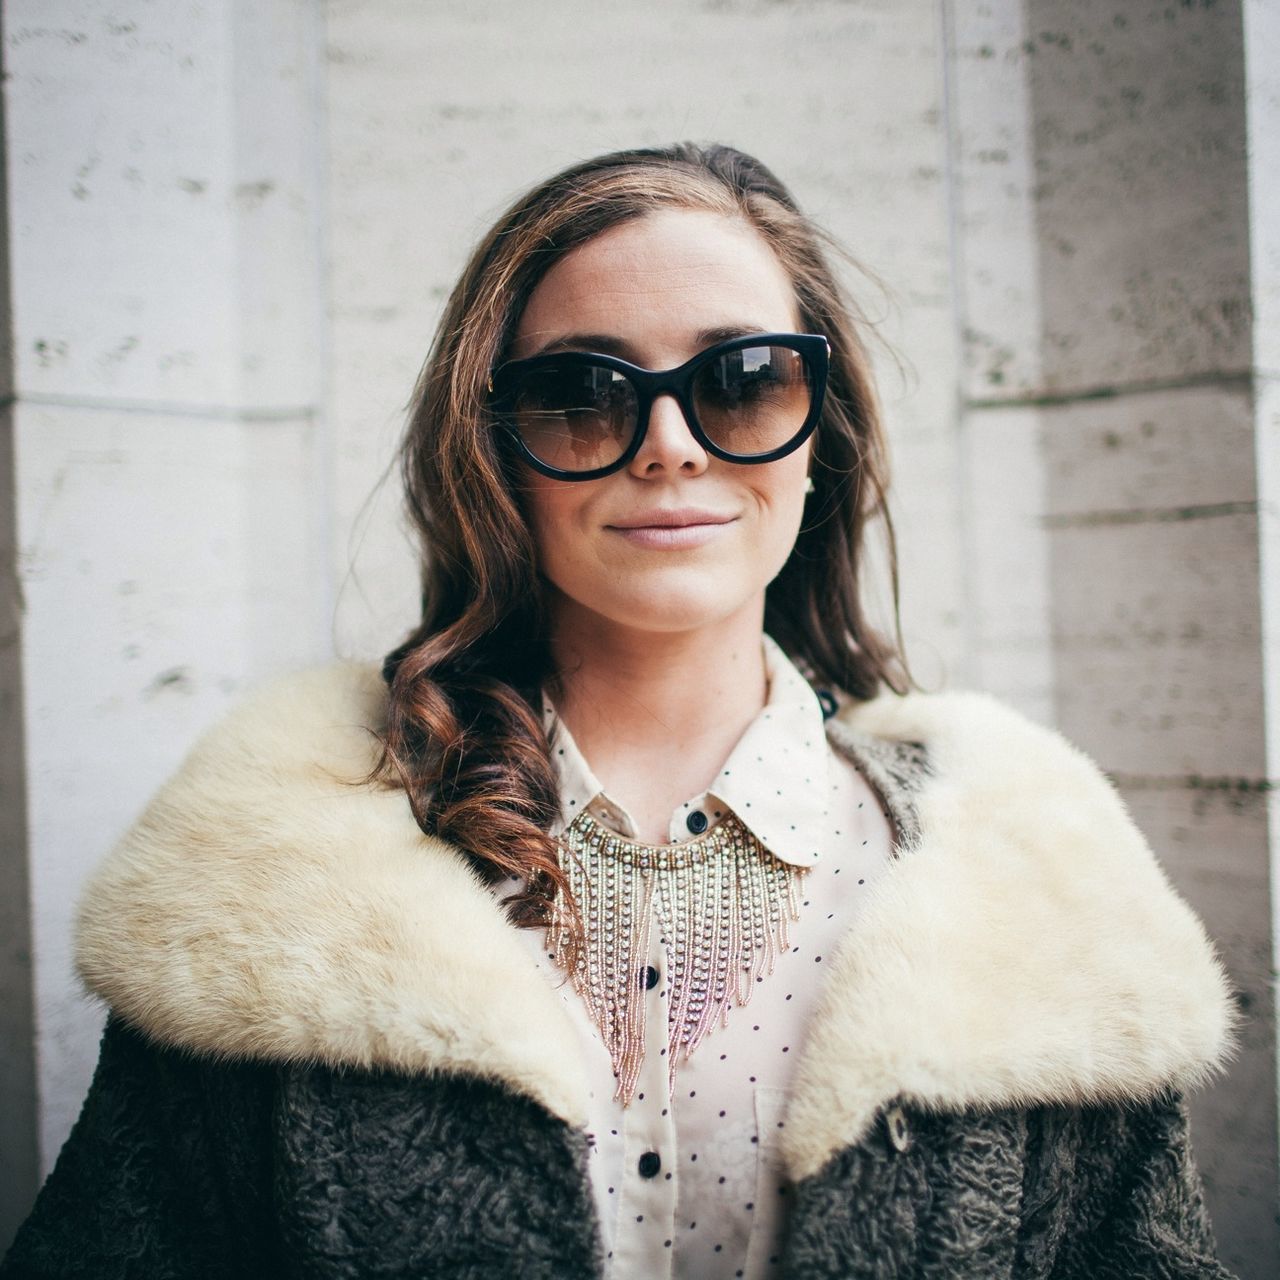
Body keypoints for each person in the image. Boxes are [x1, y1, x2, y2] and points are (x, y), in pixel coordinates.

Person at [2, 143, 1238, 1280]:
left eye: (744, 379)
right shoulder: (271, 872)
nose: (665, 445)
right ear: (492, 450)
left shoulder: (1038, 890)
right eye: (580, 390)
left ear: (824, 433)